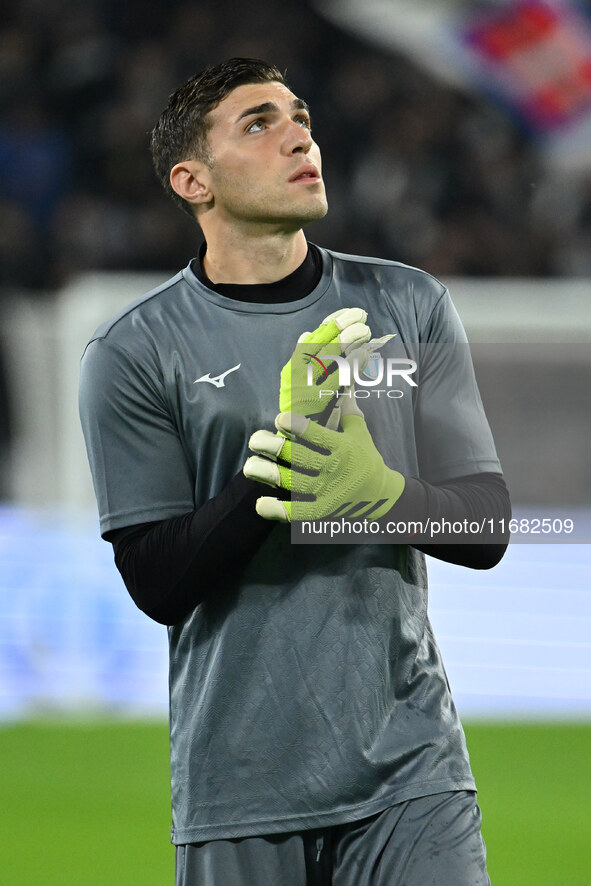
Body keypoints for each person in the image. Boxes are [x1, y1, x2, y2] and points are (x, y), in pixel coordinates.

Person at [79, 58, 511, 886]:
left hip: (411, 775)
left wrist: (379, 495)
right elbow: (156, 579)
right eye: (258, 123)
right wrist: (278, 474)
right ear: (192, 181)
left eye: (300, 115)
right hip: (237, 787)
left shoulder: (406, 304)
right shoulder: (134, 351)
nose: (299, 134)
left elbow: (484, 524)